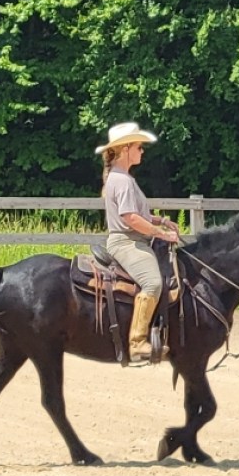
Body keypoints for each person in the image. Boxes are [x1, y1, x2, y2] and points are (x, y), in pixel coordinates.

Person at [96, 122, 180, 362]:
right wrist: (161, 233)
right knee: (153, 283)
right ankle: (137, 342)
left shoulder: (122, 178)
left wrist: (161, 220)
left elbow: (137, 213)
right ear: (125, 149)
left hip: (130, 239)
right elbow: (131, 218)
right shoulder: (122, 180)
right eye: (139, 147)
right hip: (126, 242)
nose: (142, 152)